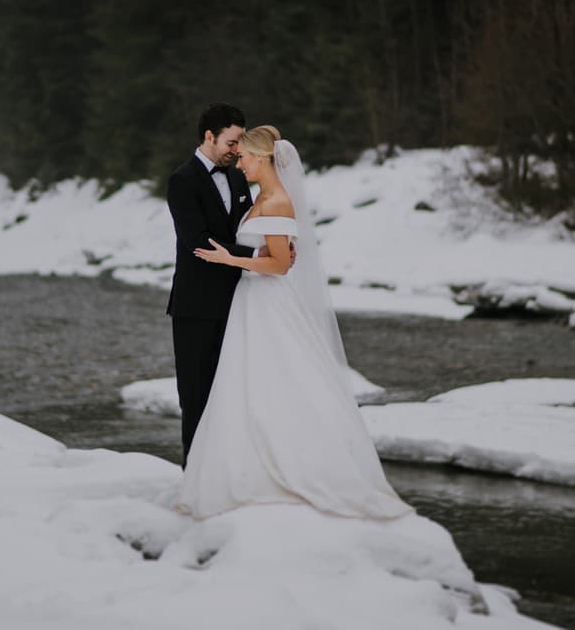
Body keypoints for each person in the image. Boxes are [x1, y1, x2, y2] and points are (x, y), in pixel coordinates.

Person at [176, 125, 412, 520]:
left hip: (268, 301)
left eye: (245, 158)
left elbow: (280, 265)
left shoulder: (278, 202)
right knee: (248, 384)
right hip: (250, 301)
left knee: (278, 379)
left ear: (262, 158)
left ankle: (292, 466)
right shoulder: (261, 198)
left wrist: (231, 259)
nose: (240, 164)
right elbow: (271, 251)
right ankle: (246, 468)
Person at [166, 104, 255, 467]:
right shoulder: (182, 180)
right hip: (196, 307)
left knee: (234, 392)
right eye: (232, 142)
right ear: (209, 136)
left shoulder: (237, 179)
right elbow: (198, 243)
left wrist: (275, 247)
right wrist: (258, 253)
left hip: (240, 302)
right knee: (196, 395)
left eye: (240, 142)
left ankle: (230, 471)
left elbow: (249, 226)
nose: (237, 149)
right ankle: (195, 475)